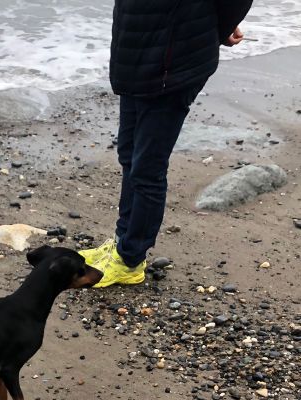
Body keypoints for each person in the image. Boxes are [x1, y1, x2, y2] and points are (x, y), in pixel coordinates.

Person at [83, 0, 254, 287]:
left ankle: (130, 259)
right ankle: (121, 242)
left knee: (147, 168)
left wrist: (216, 28)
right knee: (128, 154)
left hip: (173, 65)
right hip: (136, 57)